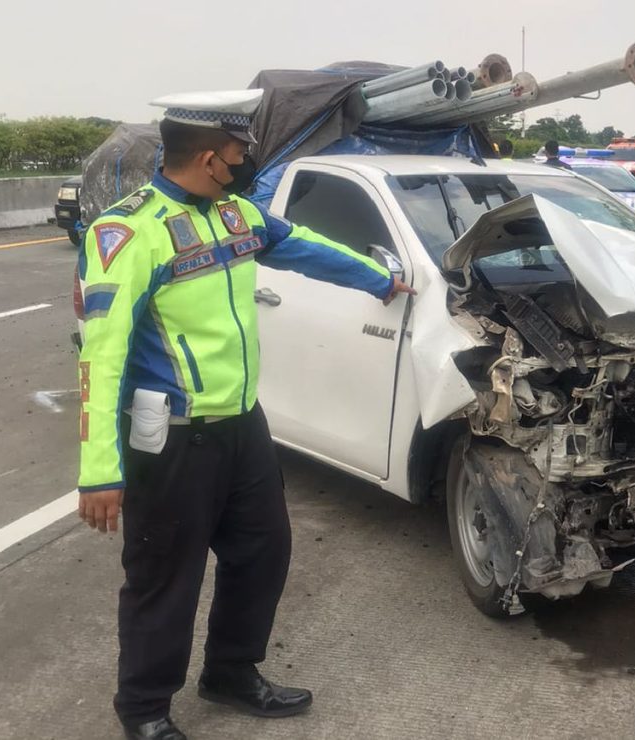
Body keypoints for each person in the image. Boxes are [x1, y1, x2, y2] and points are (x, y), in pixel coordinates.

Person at [76, 89, 415, 740]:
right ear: (208, 158)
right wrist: (99, 470)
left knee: (263, 552)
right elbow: (102, 355)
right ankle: (145, 707)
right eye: (238, 153)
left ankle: (231, 672)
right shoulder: (128, 233)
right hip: (169, 436)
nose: (244, 163)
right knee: (163, 576)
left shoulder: (235, 215)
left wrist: (379, 279)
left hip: (241, 424)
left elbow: (304, 246)